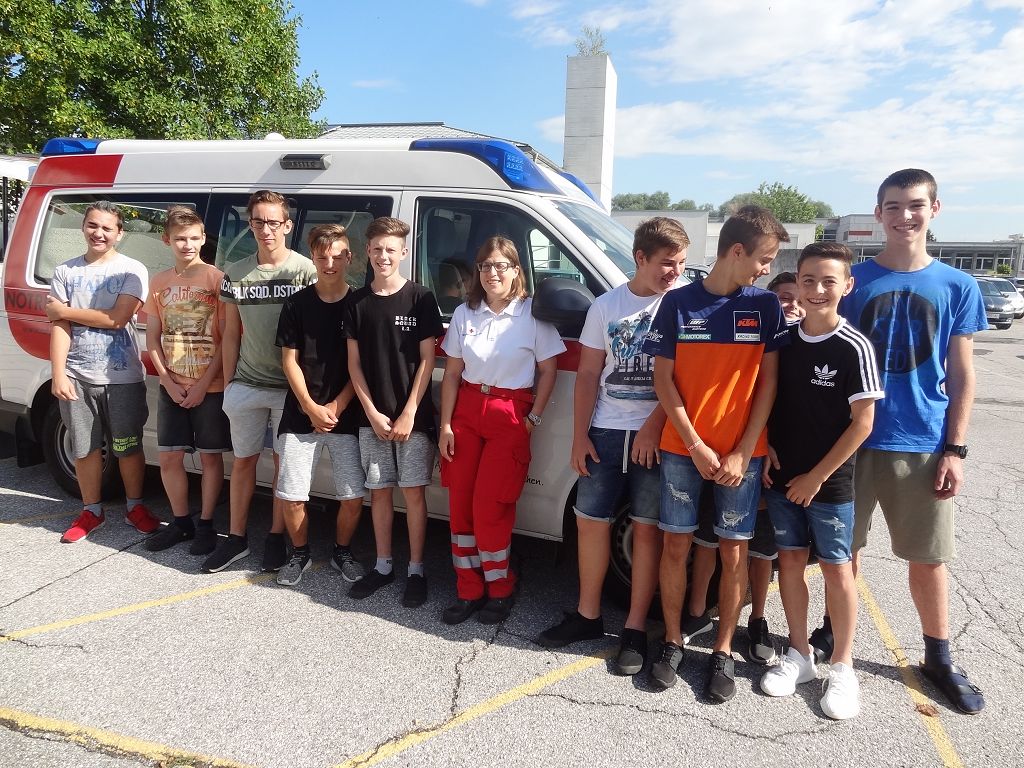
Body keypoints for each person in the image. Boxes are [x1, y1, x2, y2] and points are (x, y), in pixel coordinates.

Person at [841, 169, 987, 715]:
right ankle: (836, 632)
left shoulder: (957, 285)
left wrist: (955, 449)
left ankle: (938, 656)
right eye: (895, 206)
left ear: (934, 209)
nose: (905, 216)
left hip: (922, 439)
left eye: (916, 205)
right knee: (843, 552)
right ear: (878, 212)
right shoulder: (853, 281)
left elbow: (962, 373)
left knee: (928, 557)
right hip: (852, 440)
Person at [642, 205, 790, 702]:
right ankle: (671, 641)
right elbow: (664, 381)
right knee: (676, 546)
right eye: (764, 259)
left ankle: (722, 650)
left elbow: (768, 384)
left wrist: (744, 451)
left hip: (741, 457)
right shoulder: (678, 303)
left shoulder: (764, 307)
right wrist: (696, 444)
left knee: (733, 552)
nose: (766, 269)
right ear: (737, 251)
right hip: (683, 450)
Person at [533, 217, 687, 674]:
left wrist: (653, 426)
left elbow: (685, 379)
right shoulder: (606, 306)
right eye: (666, 263)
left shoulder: (682, 306)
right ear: (640, 258)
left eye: (680, 263)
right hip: (605, 430)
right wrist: (579, 435)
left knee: (645, 529)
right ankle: (588, 615)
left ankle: (635, 628)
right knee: (590, 522)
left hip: (657, 435)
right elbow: (587, 375)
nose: (675, 272)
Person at [759, 242, 883, 720]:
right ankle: (799, 655)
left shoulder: (855, 346)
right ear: (798, 282)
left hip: (827, 484)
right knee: (789, 563)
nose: (816, 289)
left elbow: (862, 424)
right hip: (782, 477)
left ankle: (843, 667)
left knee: (837, 569)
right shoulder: (783, 340)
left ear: (846, 286)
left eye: (829, 281)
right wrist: (765, 445)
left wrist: (816, 477)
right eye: (808, 280)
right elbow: (766, 400)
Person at [439, 237, 565, 625]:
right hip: (466, 411)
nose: (491, 273)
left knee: (490, 508)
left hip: (510, 414)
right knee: (460, 506)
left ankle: (499, 588)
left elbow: (549, 370)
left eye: (500, 265)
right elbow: (452, 374)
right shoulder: (465, 313)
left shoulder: (532, 314)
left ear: (515, 270)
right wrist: (445, 424)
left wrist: (533, 418)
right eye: (484, 266)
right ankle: (468, 589)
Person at [202, 190, 317, 573]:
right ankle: (236, 539)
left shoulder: (306, 271)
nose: (266, 229)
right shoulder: (235, 272)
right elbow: (230, 334)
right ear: (250, 225)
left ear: (287, 225)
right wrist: (230, 383)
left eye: (273, 222)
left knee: (284, 467)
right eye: (258, 222)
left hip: (289, 390)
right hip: (247, 384)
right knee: (243, 463)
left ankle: (274, 537)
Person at [46, 201, 159, 542]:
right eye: (93, 225)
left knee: (128, 445)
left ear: (119, 234)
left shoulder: (131, 269)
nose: (99, 233)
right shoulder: (65, 271)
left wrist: (64, 310)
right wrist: (58, 372)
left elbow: (118, 318)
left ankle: (134, 507)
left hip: (121, 377)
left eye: (107, 228)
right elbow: (58, 327)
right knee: (84, 448)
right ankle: (91, 511)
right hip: (77, 376)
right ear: (83, 227)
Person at [344, 217, 443, 607]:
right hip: (372, 420)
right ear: (367, 251)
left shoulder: (420, 298)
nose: (383, 256)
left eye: (391, 249)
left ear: (404, 252)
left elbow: (427, 360)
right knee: (380, 492)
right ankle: (383, 565)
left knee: (414, 493)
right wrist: (370, 412)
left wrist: (409, 412)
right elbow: (353, 365)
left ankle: (416, 569)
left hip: (412, 420)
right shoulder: (356, 302)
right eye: (377, 249)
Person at [273, 224, 368, 587]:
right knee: (292, 495)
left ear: (349, 258)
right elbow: (289, 361)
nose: (330, 264)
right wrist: (311, 407)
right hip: (301, 413)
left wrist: (336, 406)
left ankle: (343, 552)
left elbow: (362, 367)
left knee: (352, 495)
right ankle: (299, 553)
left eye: (337, 256)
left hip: (347, 414)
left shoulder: (361, 304)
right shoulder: (296, 303)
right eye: (322, 256)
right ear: (312, 257)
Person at [143, 206, 231, 554]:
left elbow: (226, 339)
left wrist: (203, 384)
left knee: (210, 458)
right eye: (180, 238)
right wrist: (166, 381)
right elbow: (153, 337)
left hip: (210, 386)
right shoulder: (159, 282)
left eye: (194, 238)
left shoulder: (216, 279)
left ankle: (206, 523)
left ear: (204, 239)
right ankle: (181, 523)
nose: (188, 244)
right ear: (167, 240)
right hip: (172, 385)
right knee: (169, 457)